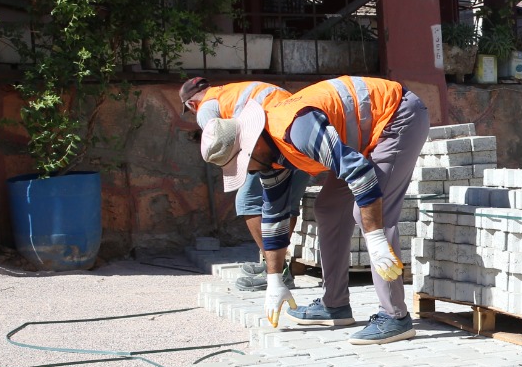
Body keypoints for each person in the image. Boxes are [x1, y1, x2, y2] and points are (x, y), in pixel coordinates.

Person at [199, 75, 429, 345]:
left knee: (373, 213)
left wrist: (376, 239)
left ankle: (395, 317)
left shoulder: (295, 128)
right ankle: (335, 304)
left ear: (252, 146)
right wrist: (275, 279)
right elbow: (274, 215)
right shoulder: (270, 158)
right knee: (329, 208)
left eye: (243, 163)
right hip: (363, 138)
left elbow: (359, 173)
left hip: (397, 116)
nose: (247, 170)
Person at [180, 77, 309, 291]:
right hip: (302, 135)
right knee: (287, 203)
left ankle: (275, 269)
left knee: (248, 200)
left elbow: (220, 141)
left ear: (191, 104)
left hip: (272, 145)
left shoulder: (205, 108)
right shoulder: (232, 91)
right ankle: (278, 267)